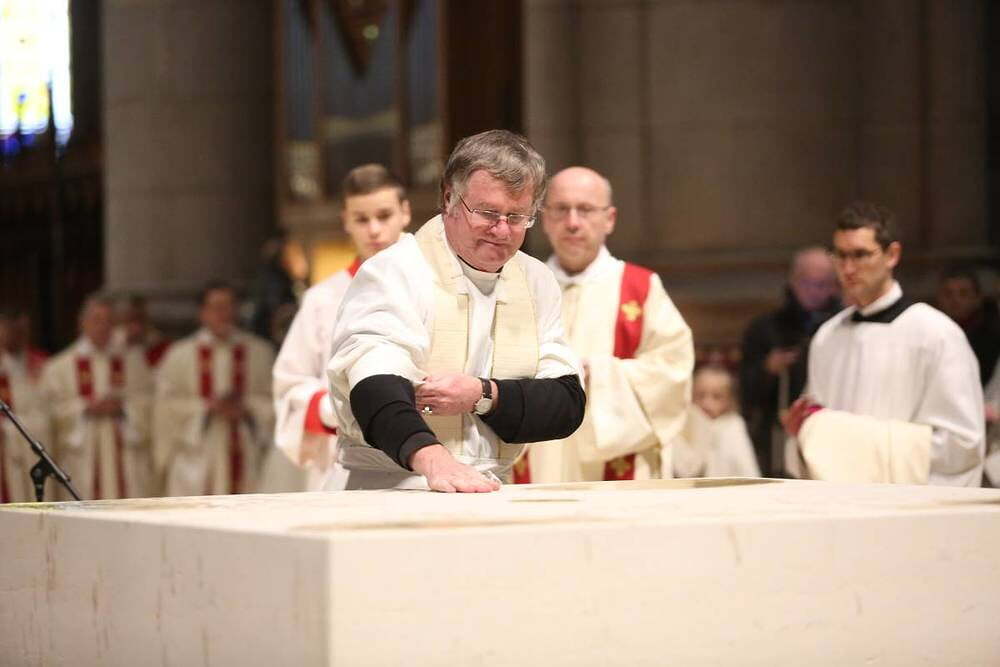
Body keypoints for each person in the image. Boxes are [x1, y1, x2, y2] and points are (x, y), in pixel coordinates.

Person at [326, 129, 585, 492]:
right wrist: (435, 460)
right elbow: (374, 386)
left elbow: (565, 403)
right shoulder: (396, 270)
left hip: (490, 485)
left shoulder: (535, 280)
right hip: (388, 483)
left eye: (517, 217)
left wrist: (483, 394)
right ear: (449, 198)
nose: (502, 231)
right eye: (488, 213)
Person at [512, 166, 693, 483]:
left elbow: (673, 371)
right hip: (537, 456)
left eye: (585, 210)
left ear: (609, 219)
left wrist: (597, 373)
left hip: (613, 463)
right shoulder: (518, 284)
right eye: (560, 209)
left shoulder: (640, 288)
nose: (572, 222)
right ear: (544, 218)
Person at [784, 201, 984, 487]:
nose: (848, 268)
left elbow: (962, 445)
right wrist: (804, 431)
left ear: (892, 255)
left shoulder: (936, 334)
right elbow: (818, 433)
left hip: (906, 503)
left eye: (860, 255)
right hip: (838, 501)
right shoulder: (827, 337)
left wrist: (859, 444)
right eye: (840, 255)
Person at [273, 164, 411, 491]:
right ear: (345, 221)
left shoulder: (435, 283)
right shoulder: (321, 299)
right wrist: (332, 408)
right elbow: (290, 385)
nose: (374, 230)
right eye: (361, 219)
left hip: (422, 451)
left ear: (405, 212)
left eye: (384, 216)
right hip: (344, 462)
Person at [154, 282, 276, 496]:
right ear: (202, 313)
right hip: (197, 458)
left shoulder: (259, 352)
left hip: (247, 453)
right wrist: (207, 407)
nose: (223, 314)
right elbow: (165, 407)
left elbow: (276, 401)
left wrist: (247, 407)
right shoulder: (179, 354)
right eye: (216, 307)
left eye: (229, 307)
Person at [40, 295, 155, 500]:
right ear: (82, 323)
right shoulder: (60, 367)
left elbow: (150, 405)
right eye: (97, 320)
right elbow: (50, 414)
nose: (103, 327)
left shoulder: (132, 362)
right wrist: (85, 408)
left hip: (125, 458)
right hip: (83, 460)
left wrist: (124, 408)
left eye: (109, 321)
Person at [739, 247, 840, 476]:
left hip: (831, 430)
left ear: (835, 286)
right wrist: (767, 369)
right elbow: (744, 392)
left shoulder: (843, 327)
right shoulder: (764, 328)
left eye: (822, 284)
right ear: (793, 281)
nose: (814, 291)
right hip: (775, 434)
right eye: (807, 282)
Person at [673, 365, 760, 479]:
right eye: (700, 395)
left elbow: (748, 471)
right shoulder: (682, 426)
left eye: (717, 396)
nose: (707, 403)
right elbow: (684, 469)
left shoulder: (733, 425)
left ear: (729, 400)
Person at [0, 310, 52, 502]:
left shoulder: (41, 365)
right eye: (10, 329)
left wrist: (9, 429)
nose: (16, 335)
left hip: (30, 449)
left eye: (21, 331)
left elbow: (49, 412)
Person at [935, 264, 1000, 386]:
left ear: (977, 298)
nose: (955, 300)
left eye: (963, 293)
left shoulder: (992, 338)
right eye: (948, 294)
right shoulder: (931, 334)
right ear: (939, 298)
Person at [113, 294, 172, 368]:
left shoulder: (158, 344)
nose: (135, 327)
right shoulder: (114, 343)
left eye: (139, 319)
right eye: (132, 319)